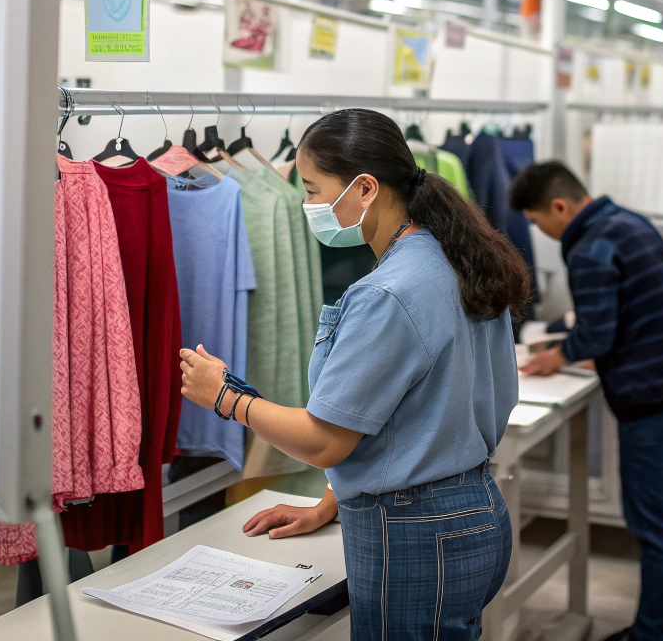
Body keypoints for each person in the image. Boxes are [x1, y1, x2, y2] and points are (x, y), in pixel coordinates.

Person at [178, 108, 531, 641]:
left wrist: (225, 397)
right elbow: (415, 416)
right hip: (471, 514)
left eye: (313, 190)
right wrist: (331, 502)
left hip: (416, 534)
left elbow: (325, 441)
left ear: (365, 188)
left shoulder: (388, 293)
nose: (308, 205)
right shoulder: (458, 258)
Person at [508, 161, 663, 641]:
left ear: (560, 207)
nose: (541, 232)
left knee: (653, 522)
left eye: (538, 222)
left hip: (650, 394)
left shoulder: (590, 249)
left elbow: (598, 335)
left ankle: (656, 634)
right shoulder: (627, 220)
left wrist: (555, 356)